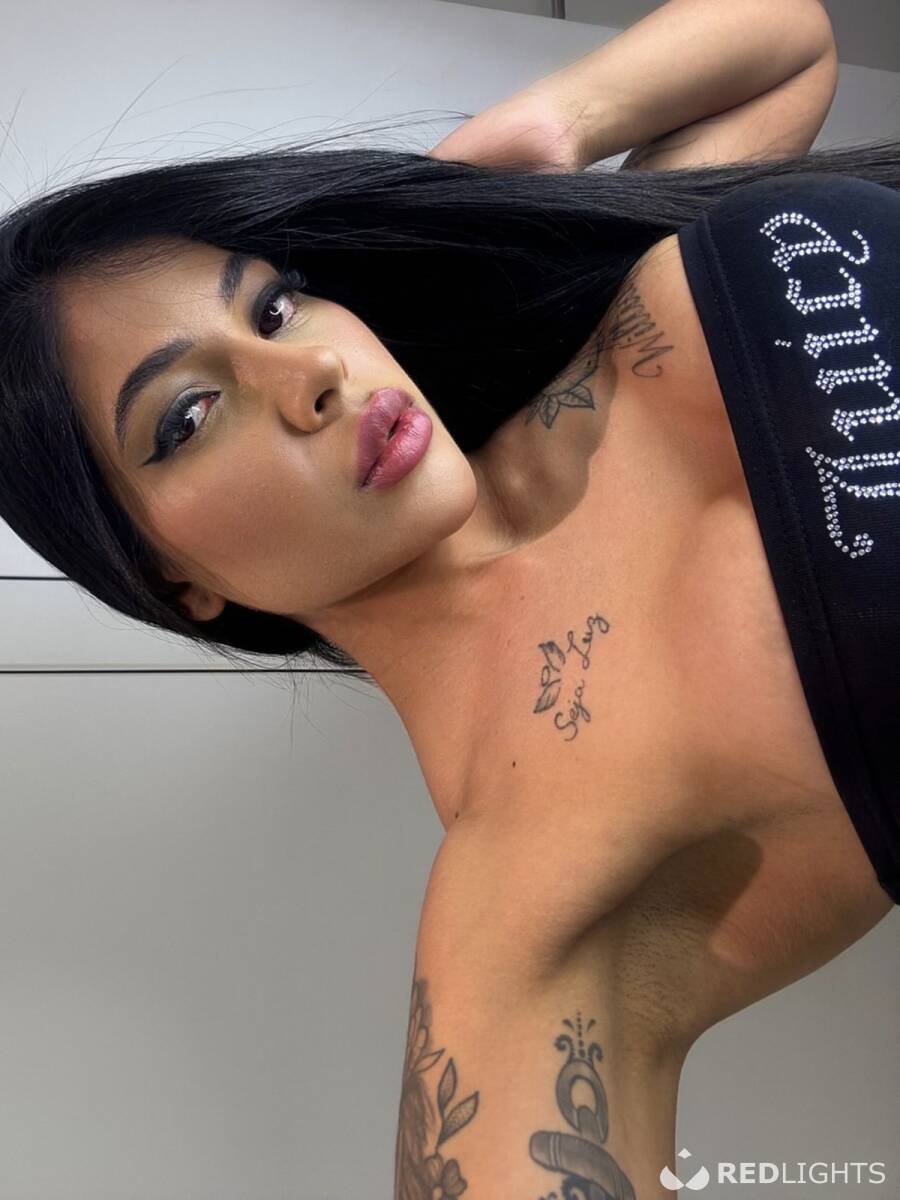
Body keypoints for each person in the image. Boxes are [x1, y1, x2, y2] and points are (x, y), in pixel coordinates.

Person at [0, 1, 896, 1196]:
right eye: (190, 415)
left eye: (272, 306)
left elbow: (788, 42)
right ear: (175, 581)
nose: (310, 372)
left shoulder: (598, 322)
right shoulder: (528, 918)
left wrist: (548, 128)